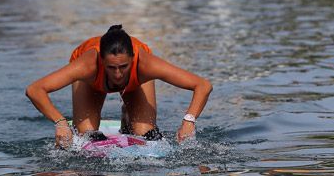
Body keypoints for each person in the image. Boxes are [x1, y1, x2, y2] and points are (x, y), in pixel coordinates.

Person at [26, 25, 212, 148]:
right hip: (91, 84)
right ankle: (124, 109)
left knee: (147, 135)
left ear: (133, 58)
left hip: (136, 83)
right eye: (111, 68)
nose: (117, 75)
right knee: (87, 138)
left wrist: (189, 121)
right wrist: (60, 123)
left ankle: (128, 112)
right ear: (101, 61)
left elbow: (202, 85)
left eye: (123, 67)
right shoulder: (86, 66)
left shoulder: (146, 64)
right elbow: (35, 90)